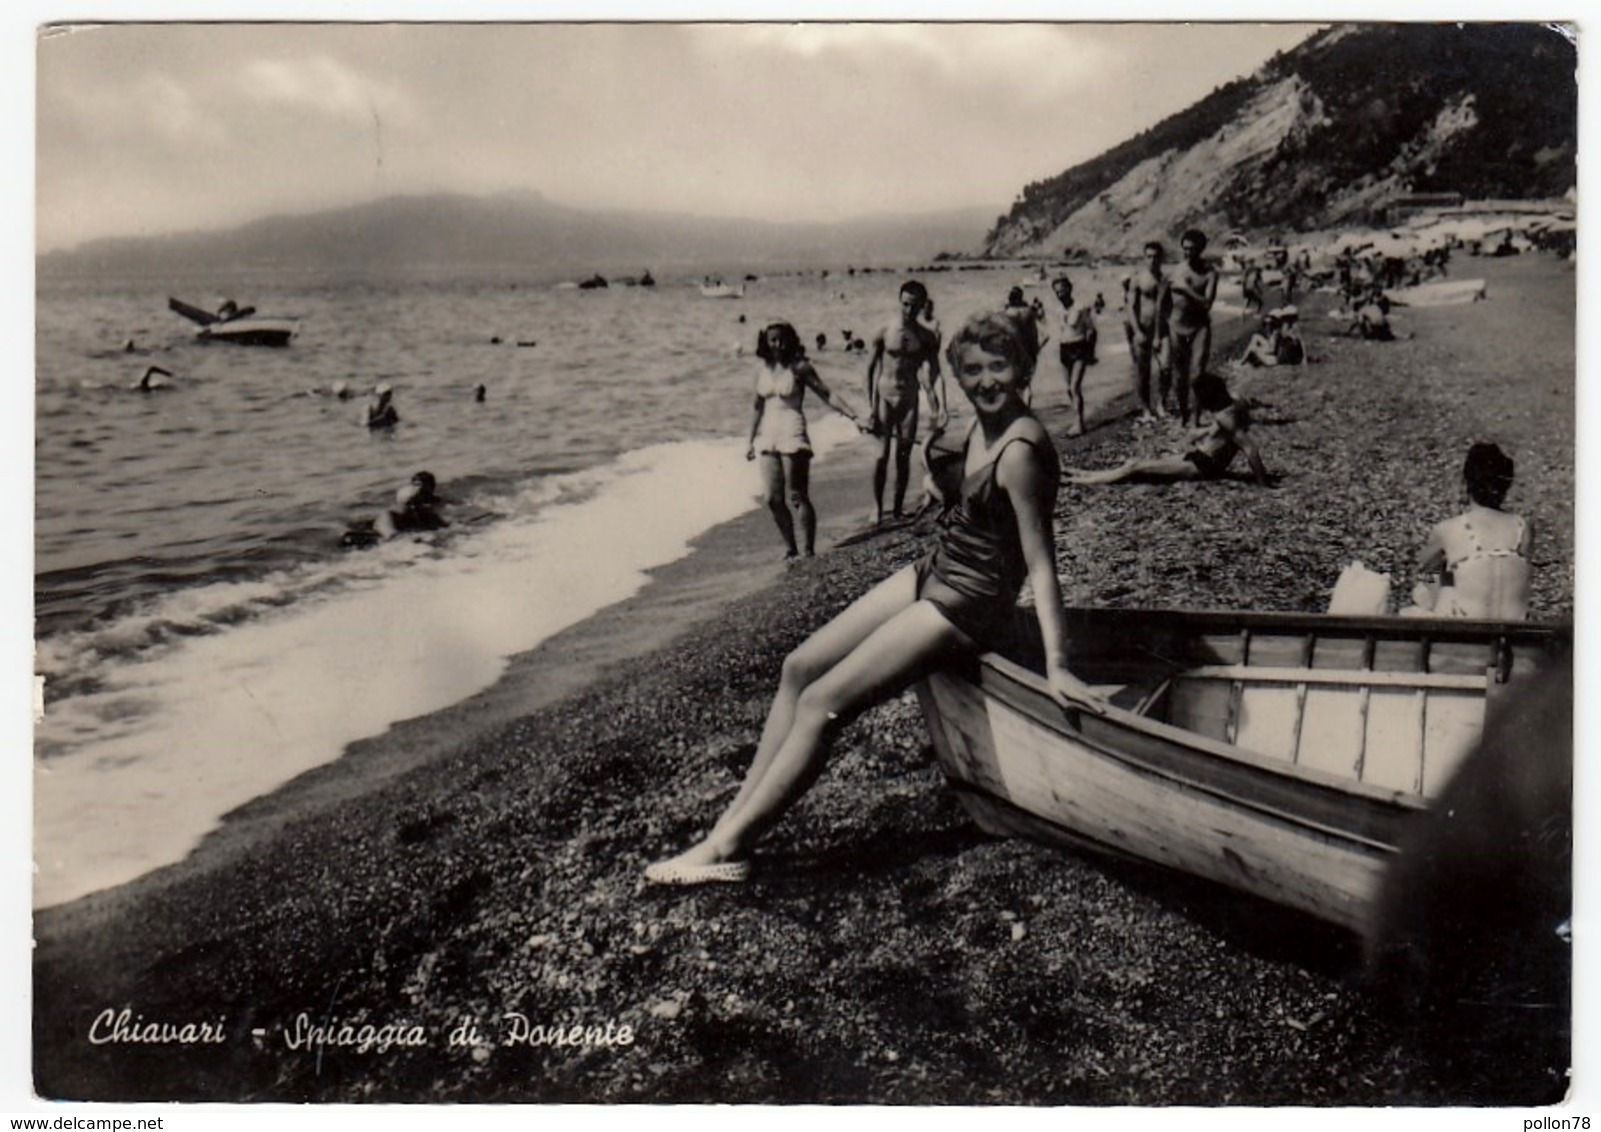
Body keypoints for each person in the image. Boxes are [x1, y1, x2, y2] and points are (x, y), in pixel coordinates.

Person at [643, 311, 1109, 885]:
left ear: (1024, 367)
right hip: (938, 567)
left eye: (999, 366)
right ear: (956, 376)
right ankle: (735, 813)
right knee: (798, 668)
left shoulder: (1020, 451)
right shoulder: (981, 427)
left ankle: (726, 850)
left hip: (966, 604)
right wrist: (943, 488)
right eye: (972, 370)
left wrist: (1058, 666)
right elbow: (976, 508)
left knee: (822, 705)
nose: (986, 381)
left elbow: (1041, 565)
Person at [750, 321, 866, 560]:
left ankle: (809, 550)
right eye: (773, 339)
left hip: (793, 429)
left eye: (782, 339)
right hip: (768, 434)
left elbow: (827, 394)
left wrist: (854, 416)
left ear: (790, 340)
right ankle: (790, 547)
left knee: (797, 495)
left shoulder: (800, 367)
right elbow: (757, 407)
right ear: (766, 342)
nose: (778, 344)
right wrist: (749, 440)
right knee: (772, 498)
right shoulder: (761, 370)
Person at [1062, 371, 1270, 486]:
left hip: (1203, 468)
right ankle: (1080, 473)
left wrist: (1263, 482)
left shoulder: (1225, 418)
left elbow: (1250, 448)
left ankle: (1079, 480)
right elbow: (1242, 413)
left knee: (1136, 469)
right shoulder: (1236, 400)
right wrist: (1204, 432)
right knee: (1136, 465)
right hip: (1199, 456)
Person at [1402, 443, 1531, 620]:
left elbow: (1423, 567)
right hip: (1514, 634)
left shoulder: (1448, 529)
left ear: (1467, 483)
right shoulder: (1522, 528)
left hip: (1465, 634)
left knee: (1442, 581)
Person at [866, 280, 946, 522]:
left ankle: (898, 508)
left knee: (903, 455)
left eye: (914, 306)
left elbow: (936, 373)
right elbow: (869, 371)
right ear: (899, 301)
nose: (908, 310)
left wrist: (943, 407)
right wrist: (870, 408)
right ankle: (877, 507)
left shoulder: (926, 336)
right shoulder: (884, 331)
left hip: (909, 399)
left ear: (922, 305)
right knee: (881, 455)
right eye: (905, 304)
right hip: (884, 396)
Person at [1161, 228, 1219, 427]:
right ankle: (1184, 414)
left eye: (1192, 249)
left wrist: (1186, 290)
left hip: (1199, 328)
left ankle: (1196, 418)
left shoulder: (1210, 273)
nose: (1188, 253)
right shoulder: (1174, 272)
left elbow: (1207, 304)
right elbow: (1163, 305)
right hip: (1176, 327)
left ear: (1201, 249)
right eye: (1185, 249)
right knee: (1179, 376)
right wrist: (1160, 335)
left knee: (1197, 374)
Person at [1124, 242, 1170, 422]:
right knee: (1143, 372)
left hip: (1162, 330)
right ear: (1144, 258)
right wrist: (1137, 331)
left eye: (1156, 256)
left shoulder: (1165, 280)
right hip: (1142, 330)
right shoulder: (1137, 279)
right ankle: (1145, 409)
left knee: (1166, 367)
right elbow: (1130, 307)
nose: (1152, 260)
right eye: (1149, 256)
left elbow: (1166, 308)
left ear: (1161, 258)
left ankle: (1161, 403)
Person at [1048, 274, 1098, 437]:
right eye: (1057, 292)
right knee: (1069, 389)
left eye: (1062, 291)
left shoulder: (1080, 307)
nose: (1060, 295)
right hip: (1065, 348)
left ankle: (1079, 424)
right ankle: (1078, 418)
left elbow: (1091, 330)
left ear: (1069, 289)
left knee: (1074, 386)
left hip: (1080, 348)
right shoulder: (1057, 309)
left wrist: (1091, 353)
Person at [1002, 285, 1043, 363]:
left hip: (1014, 347)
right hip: (1029, 347)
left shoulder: (1007, 313)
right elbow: (1040, 317)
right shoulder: (1028, 311)